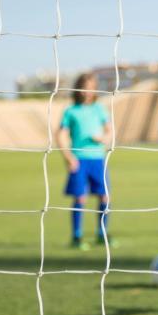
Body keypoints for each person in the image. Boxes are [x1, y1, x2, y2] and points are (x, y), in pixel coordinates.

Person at [56, 73, 115, 250]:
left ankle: (101, 234)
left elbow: (110, 130)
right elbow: (60, 135)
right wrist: (68, 157)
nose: (87, 91)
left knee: (104, 196)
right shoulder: (70, 111)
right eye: (83, 87)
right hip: (79, 160)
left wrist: (104, 139)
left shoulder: (99, 109)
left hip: (98, 158)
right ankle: (77, 237)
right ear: (77, 89)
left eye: (90, 87)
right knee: (80, 198)